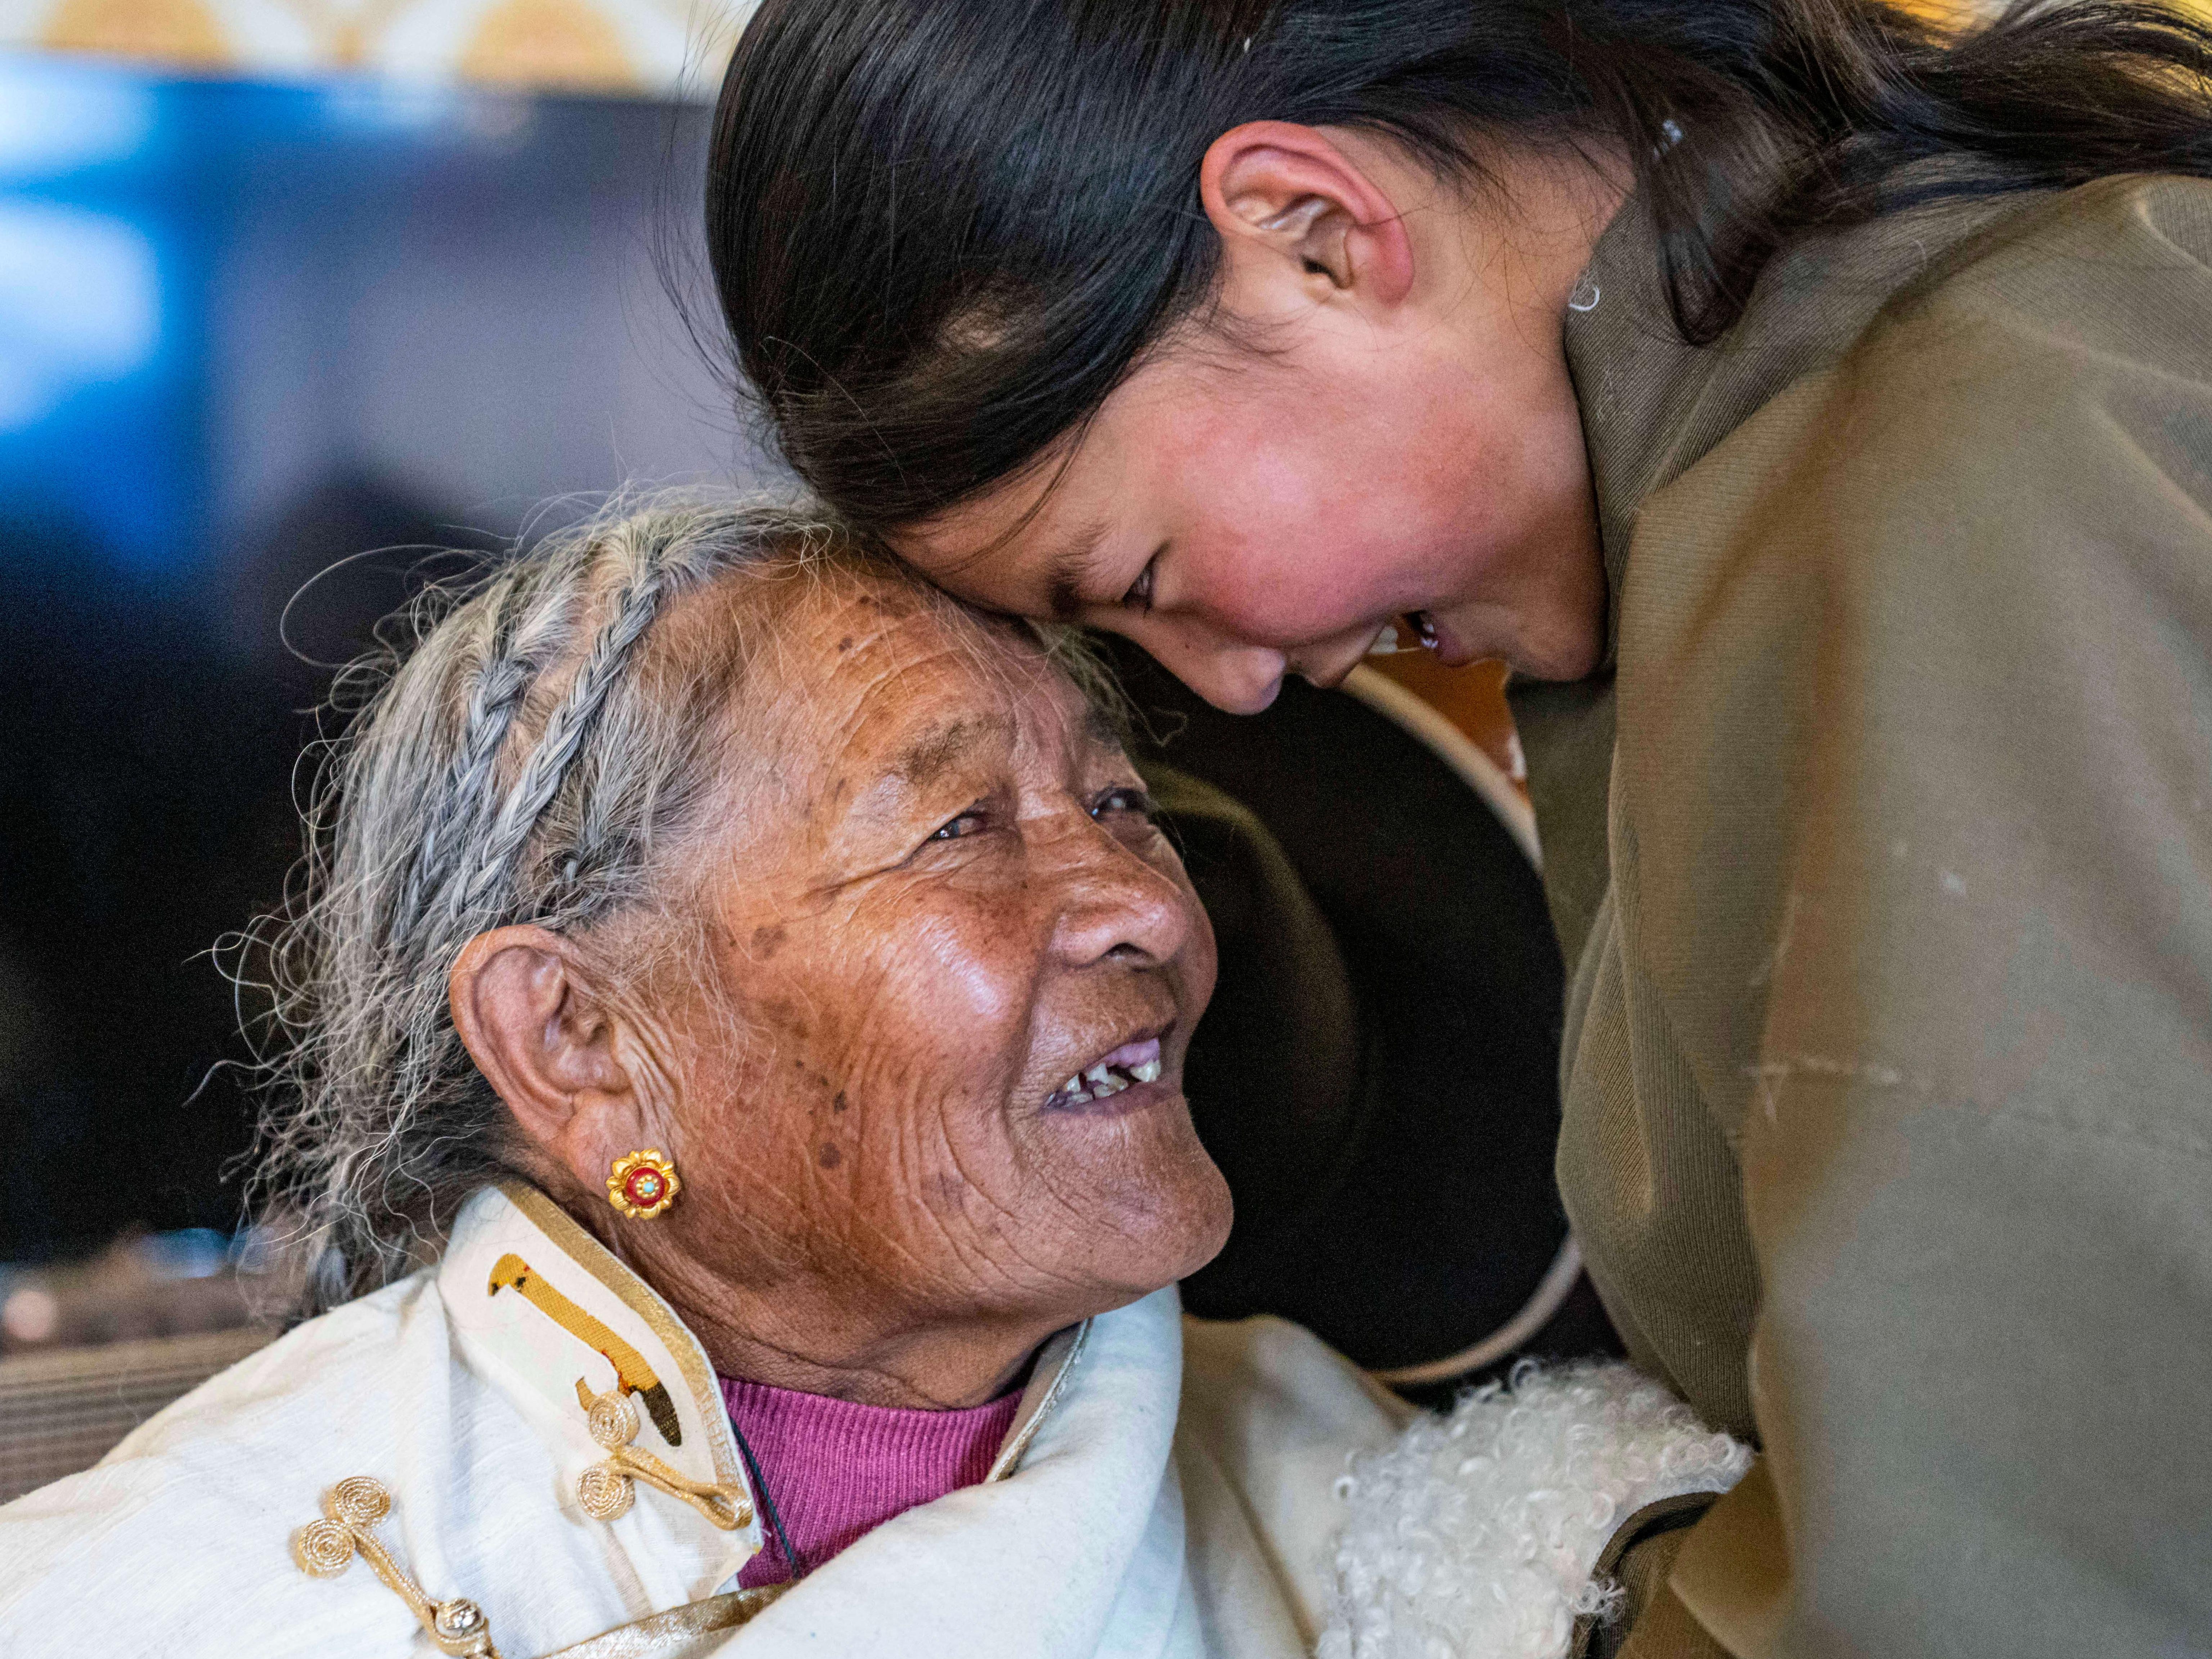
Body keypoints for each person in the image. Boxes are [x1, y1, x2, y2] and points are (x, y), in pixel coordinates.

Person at [700, 4, 2212, 1655]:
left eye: (1146, 580)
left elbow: (2027, 1564)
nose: (1239, 686)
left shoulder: (1963, 493)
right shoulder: (1795, 500)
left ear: (1316, 237)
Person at [0, 499, 1745, 1659]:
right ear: (578, 1041)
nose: (1149, 901)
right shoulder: (175, 1596)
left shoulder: (1404, 1528)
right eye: (963, 826)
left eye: (1121, 800)